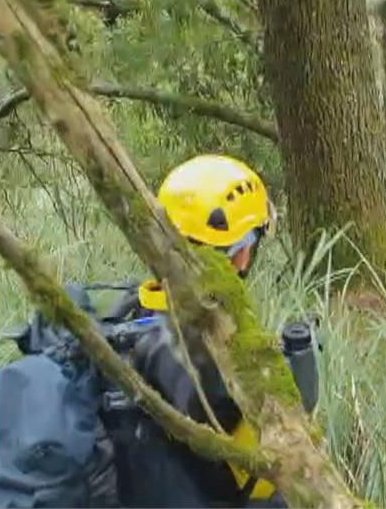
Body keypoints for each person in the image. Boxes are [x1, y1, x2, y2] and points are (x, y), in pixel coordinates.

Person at [122, 154, 283, 508]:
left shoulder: (136, 310)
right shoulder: (199, 361)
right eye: (245, 245)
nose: (246, 260)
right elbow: (262, 481)